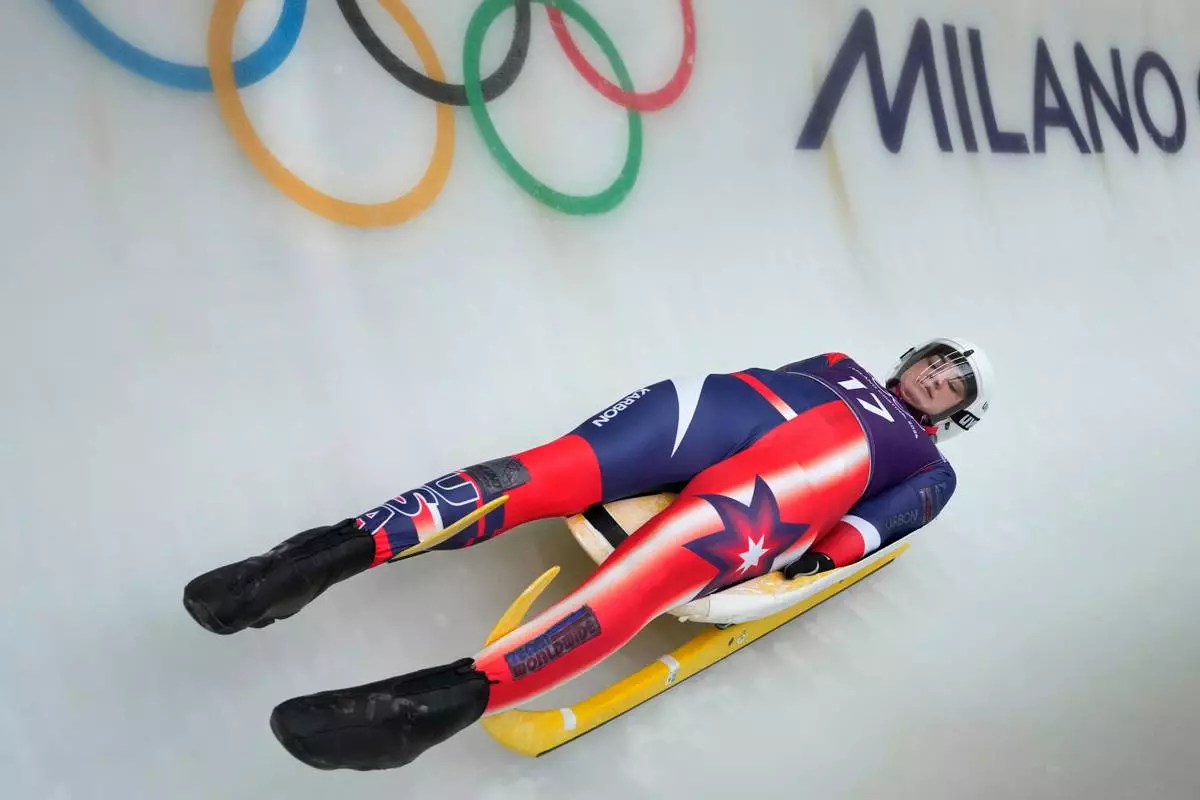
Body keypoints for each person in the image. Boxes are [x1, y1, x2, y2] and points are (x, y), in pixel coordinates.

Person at [183, 337, 995, 771]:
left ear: (958, 411)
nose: (937, 377)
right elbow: (777, 377)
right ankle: (310, 560)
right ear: (911, 357)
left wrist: (819, 559)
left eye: (954, 382)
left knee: (663, 559)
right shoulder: (836, 361)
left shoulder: (931, 467)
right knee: (544, 469)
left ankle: (439, 701)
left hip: (807, 478)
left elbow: (876, 529)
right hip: (725, 404)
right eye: (936, 361)